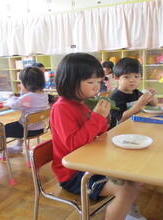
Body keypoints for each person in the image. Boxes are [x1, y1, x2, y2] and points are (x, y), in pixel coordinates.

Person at [50, 52, 146, 220]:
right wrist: (97, 118)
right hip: (73, 173)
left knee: (130, 174)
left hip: (89, 161)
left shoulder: (82, 103)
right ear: (70, 82)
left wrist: (104, 120)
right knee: (126, 189)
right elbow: (73, 144)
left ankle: (132, 214)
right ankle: (126, 212)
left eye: (98, 82)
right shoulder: (61, 108)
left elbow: (98, 134)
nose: (96, 87)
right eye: (90, 82)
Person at [4, 67, 48, 154]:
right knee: (20, 123)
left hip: (26, 130)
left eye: (21, 83)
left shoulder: (28, 97)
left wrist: (10, 99)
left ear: (28, 84)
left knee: (3, 128)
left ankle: (1, 152)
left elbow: (14, 105)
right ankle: (18, 146)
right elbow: (27, 105)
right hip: (40, 128)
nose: (20, 85)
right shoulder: (44, 94)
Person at [110, 57, 158, 128]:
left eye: (136, 76)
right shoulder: (115, 97)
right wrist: (139, 104)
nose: (132, 80)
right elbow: (121, 119)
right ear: (116, 78)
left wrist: (151, 96)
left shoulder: (136, 92)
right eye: (126, 77)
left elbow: (154, 105)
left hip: (135, 127)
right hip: (120, 131)